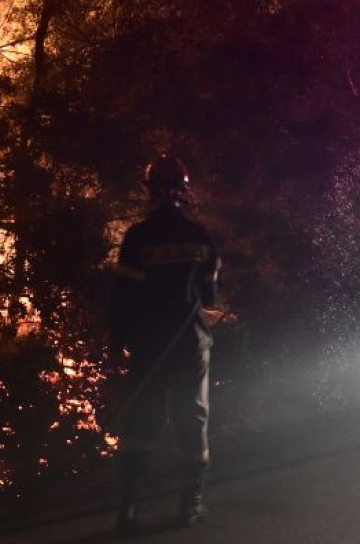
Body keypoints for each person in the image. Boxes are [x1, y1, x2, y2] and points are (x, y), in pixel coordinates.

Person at [109, 154, 220, 533]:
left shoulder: (137, 237)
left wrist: (115, 346)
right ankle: (189, 506)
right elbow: (208, 298)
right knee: (192, 421)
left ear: (148, 191)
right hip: (191, 345)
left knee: (140, 423)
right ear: (183, 192)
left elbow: (123, 299)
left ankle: (128, 511)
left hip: (149, 346)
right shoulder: (200, 236)